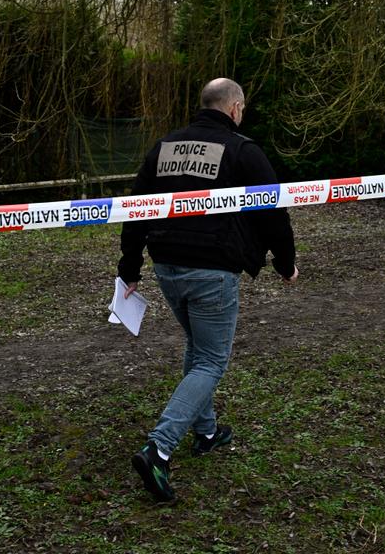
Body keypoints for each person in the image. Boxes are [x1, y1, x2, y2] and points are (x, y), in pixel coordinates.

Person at [119, 77, 299, 501]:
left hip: (166, 265)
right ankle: (158, 449)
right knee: (212, 362)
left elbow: (134, 209)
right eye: (243, 109)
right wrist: (285, 263)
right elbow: (273, 209)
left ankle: (207, 431)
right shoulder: (242, 149)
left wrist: (130, 267)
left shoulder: (164, 148)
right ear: (234, 108)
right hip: (213, 271)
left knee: (197, 349)